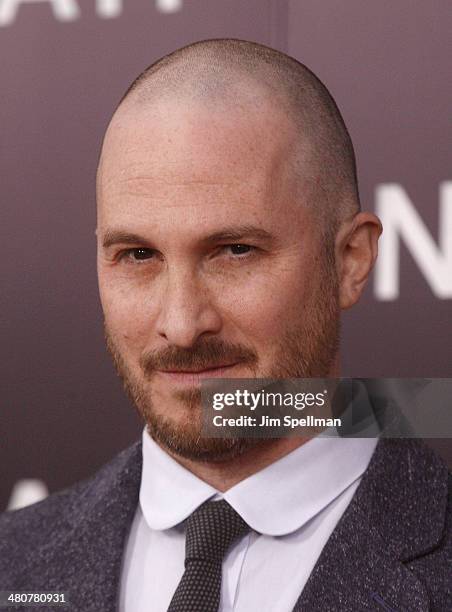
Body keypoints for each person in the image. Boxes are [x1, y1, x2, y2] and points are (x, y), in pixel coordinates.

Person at [0, 39, 450, 612]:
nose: (183, 325)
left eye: (235, 251)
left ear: (350, 261)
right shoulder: (13, 566)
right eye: (138, 255)